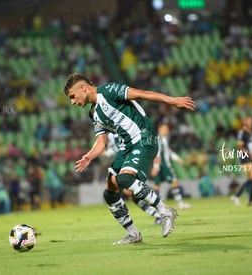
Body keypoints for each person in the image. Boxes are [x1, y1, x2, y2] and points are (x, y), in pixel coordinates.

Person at [63, 73, 195, 244]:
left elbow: (142, 93)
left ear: (83, 88)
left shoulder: (108, 91)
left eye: (72, 97)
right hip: (126, 148)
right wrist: (89, 156)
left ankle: (165, 210)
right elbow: (101, 141)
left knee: (125, 178)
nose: (72, 102)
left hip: (143, 138)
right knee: (110, 192)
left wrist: (173, 101)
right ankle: (133, 235)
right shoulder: (93, 113)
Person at [104, 132, 162, 225]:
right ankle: (158, 214)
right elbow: (114, 150)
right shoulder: (112, 134)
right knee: (131, 193)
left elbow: (150, 139)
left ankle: (160, 212)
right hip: (126, 163)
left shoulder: (127, 127)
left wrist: (156, 163)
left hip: (136, 161)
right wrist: (102, 152)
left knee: (132, 191)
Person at [150, 123, 191, 209]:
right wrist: (156, 166)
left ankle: (157, 205)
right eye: (165, 128)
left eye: (167, 129)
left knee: (157, 185)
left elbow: (168, 151)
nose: (167, 130)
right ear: (160, 129)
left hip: (161, 165)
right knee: (174, 182)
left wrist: (177, 158)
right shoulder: (159, 139)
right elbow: (157, 153)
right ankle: (180, 203)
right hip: (163, 165)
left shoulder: (163, 139)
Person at [230, 116, 252, 207]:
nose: (251, 122)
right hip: (246, 158)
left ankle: (250, 201)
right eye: (249, 121)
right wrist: (250, 155)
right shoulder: (242, 132)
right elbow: (240, 147)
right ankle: (236, 196)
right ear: (245, 122)